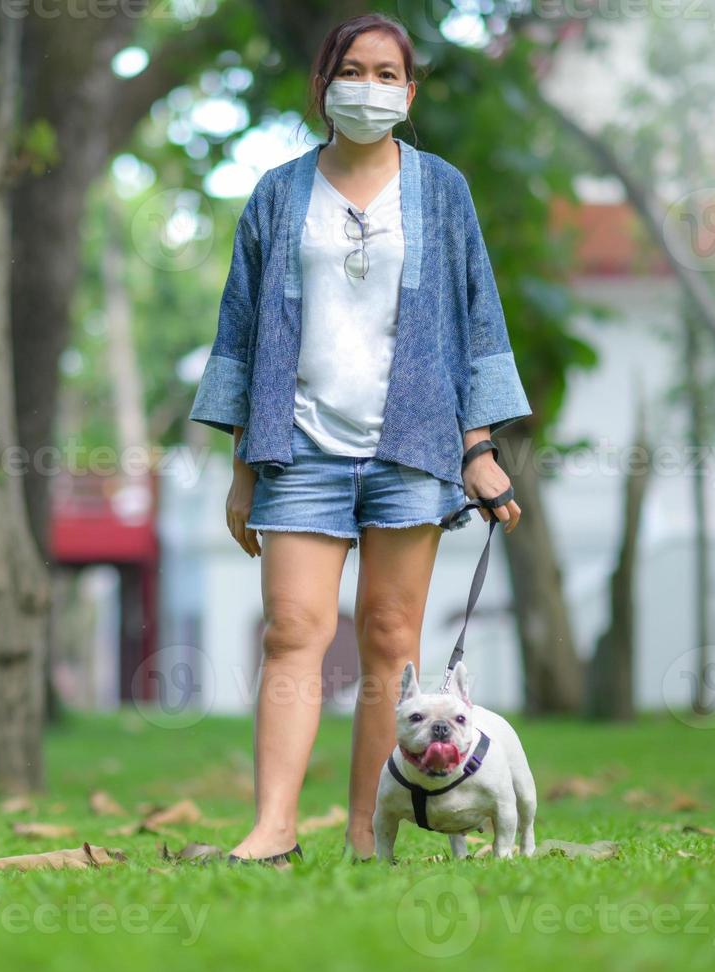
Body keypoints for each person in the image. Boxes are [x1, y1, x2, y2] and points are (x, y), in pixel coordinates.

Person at [187, 12, 532, 863]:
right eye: (354, 70)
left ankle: (361, 832)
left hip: (413, 446)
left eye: (387, 74)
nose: (369, 87)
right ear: (322, 85)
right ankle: (271, 831)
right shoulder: (276, 193)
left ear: (407, 94)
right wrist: (241, 469)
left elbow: (475, 315)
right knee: (292, 630)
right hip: (297, 446)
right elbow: (239, 330)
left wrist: (478, 449)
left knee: (389, 639)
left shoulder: (442, 191)